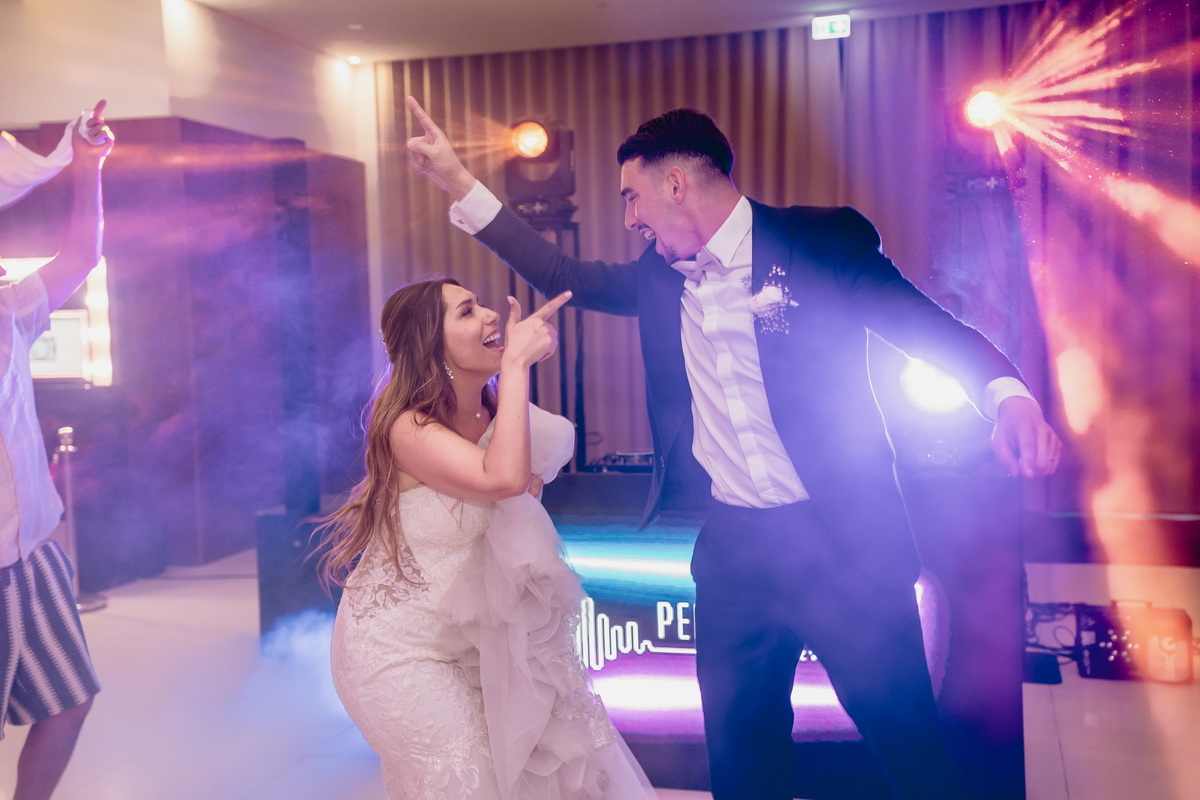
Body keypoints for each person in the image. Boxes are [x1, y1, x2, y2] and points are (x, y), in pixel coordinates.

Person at [405, 97, 1063, 800]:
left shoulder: (819, 241)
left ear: (675, 184)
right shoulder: (658, 276)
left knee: (911, 751)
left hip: (843, 543)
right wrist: (458, 182)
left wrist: (1008, 396)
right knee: (742, 760)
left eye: (631, 197)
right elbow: (559, 268)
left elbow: (922, 325)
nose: (629, 218)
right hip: (736, 556)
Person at [318, 278, 658, 799]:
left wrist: (513, 375)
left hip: (480, 648)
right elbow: (502, 479)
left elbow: (520, 492)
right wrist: (516, 365)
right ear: (432, 346)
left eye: (481, 305)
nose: (491, 315)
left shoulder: (501, 419)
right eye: (467, 311)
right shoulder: (407, 428)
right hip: (399, 649)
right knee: (475, 780)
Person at [1, 101, 114, 800]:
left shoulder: (9, 310)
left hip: (30, 549)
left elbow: (81, 257)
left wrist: (87, 165)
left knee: (68, 701)